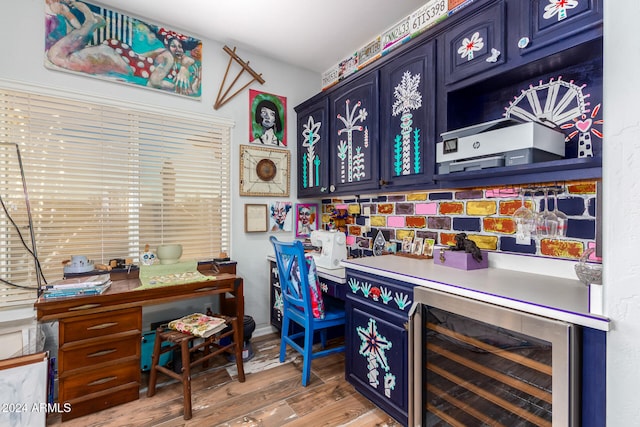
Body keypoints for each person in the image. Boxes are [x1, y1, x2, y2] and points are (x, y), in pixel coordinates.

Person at [46, 1, 201, 96]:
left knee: (61, 56)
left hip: (123, 55)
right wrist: (185, 72)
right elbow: (153, 82)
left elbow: (146, 60)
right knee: (57, 57)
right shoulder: (167, 59)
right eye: (175, 45)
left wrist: (190, 80)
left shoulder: (167, 63)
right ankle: (90, 22)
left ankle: (90, 24)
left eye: (179, 46)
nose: (178, 49)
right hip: (123, 62)